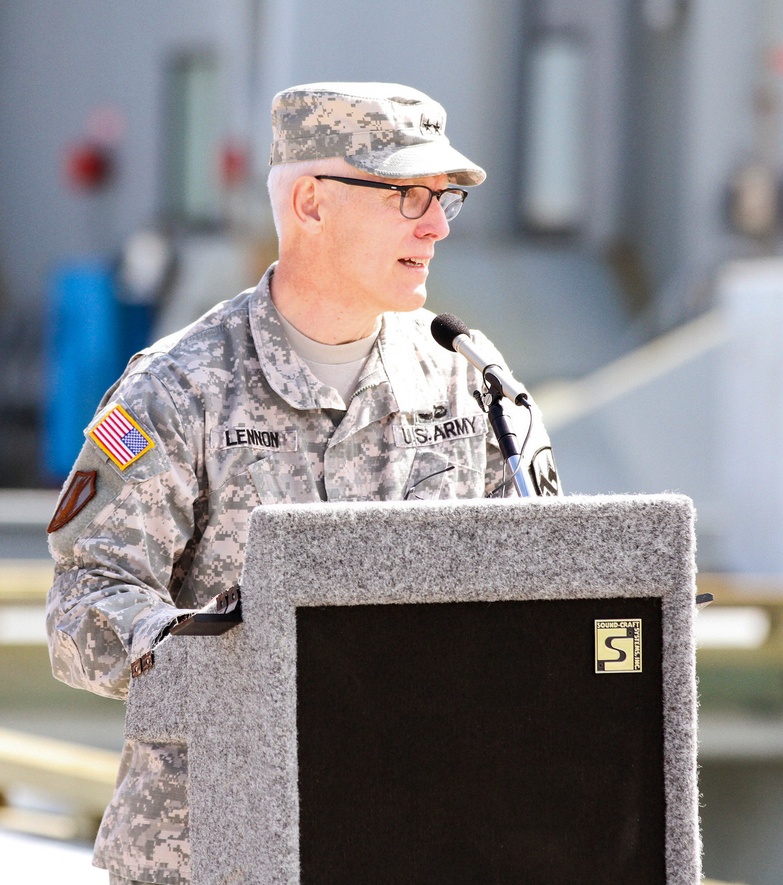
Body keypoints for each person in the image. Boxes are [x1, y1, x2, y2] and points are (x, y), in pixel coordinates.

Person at [45, 81, 560, 885]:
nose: (434, 224)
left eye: (443, 199)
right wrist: (231, 653)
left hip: (418, 837)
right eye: (405, 195)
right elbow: (84, 608)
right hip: (218, 851)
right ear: (314, 202)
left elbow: (549, 581)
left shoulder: (468, 381)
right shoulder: (180, 387)